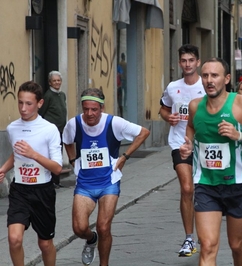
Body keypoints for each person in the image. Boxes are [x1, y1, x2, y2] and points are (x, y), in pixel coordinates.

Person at [180, 57, 242, 266]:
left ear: (227, 78)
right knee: (208, 246)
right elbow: (191, 130)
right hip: (206, 185)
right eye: (205, 76)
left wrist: (240, 135)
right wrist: (187, 145)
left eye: (215, 75)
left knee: (236, 245)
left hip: (238, 185)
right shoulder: (195, 106)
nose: (209, 80)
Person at [63, 88, 150, 266]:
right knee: (79, 228)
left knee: (103, 226)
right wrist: (73, 161)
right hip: (85, 184)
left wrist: (125, 157)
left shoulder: (114, 123)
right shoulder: (74, 124)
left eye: (94, 109)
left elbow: (144, 132)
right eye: (86, 109)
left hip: (108, 182)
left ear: (101, 108)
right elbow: (67, 140)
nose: (89, 113)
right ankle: (91, 239)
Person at [0, 81, 63, 266]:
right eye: (20, 102)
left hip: (43, 190)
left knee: (44, 243)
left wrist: (33, 154)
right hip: (20, 190)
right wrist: (3, 169)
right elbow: (16, 154)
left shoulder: (49, 129)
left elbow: (57, 168)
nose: (23, 108)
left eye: (28, 104)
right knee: (14, 239)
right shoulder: (12, 128)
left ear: (40, 103)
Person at [159, 44, 204, 257]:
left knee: (204, 190)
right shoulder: (172, 87)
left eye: (191, 60)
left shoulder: (207, 85)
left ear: (198, 62)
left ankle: (206, 232)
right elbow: (163, 108)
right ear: (180, 63)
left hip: (205, 144)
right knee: (187, 188)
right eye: (184, 61)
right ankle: (189, 238)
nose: (187, 64)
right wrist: (168, 117)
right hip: (179, 142)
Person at [38, 71, 67, 188]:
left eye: (58, 80)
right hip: (51, 131)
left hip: (60, 130)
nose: (57, 83)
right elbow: (42, 112)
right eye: (54, 81)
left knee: (57, 155)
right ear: (50, 82)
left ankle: (56, 181)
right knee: (50, 155)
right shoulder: (48, 95)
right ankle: (51, 181)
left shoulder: (62, 95)